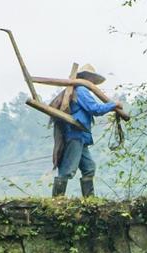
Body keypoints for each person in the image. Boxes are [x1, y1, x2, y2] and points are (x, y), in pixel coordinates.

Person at [52, 64, 121, 197]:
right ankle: (57, 201)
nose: (93, 81)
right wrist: (114, 105)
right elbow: (94, 109)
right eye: (92, 78)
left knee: (89, 168)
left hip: (81, 136)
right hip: (75, 134)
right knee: (67, 170)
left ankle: (89, 200)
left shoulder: (78, 90)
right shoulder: (81, 90)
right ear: (85, 77)